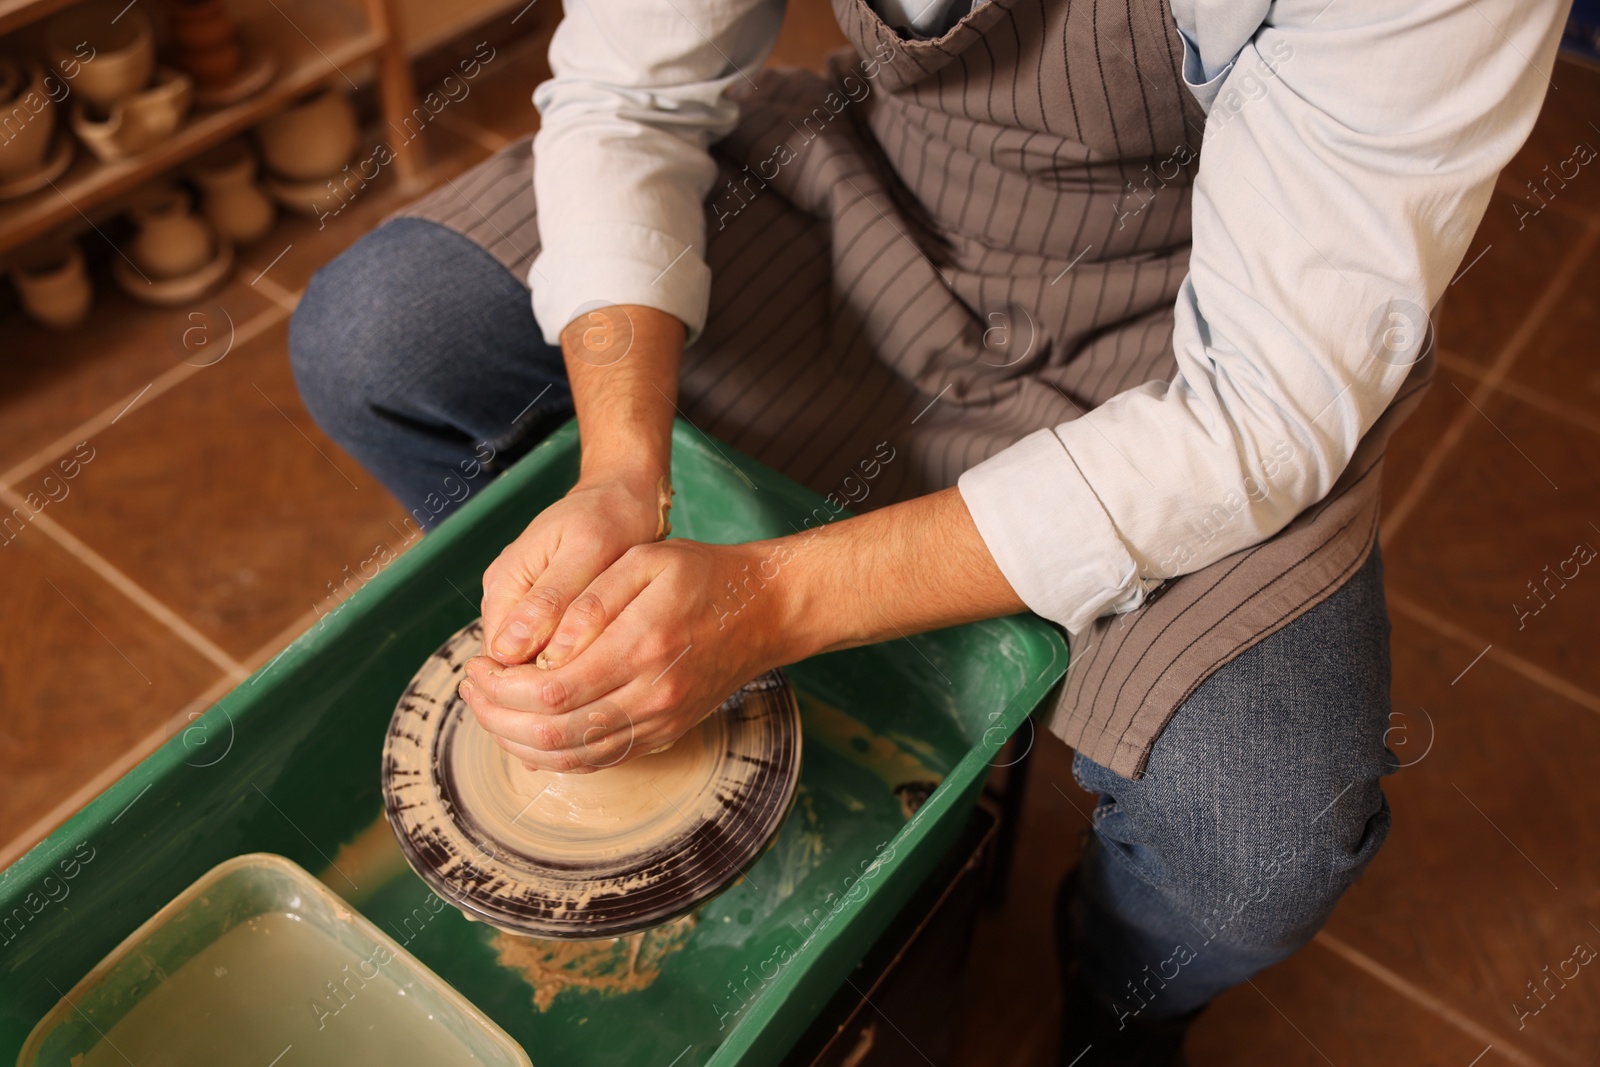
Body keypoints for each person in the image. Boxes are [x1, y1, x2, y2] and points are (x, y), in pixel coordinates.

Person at [289, 0, 1567, 1059]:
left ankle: (1115, 1005)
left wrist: (767, 605)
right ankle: (841, 709)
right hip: (875, 203)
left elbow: (1260, 414)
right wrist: (624, 469)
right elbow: (629, 95)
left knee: (1258, 848)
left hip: (1195, 334)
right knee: (383, 339)